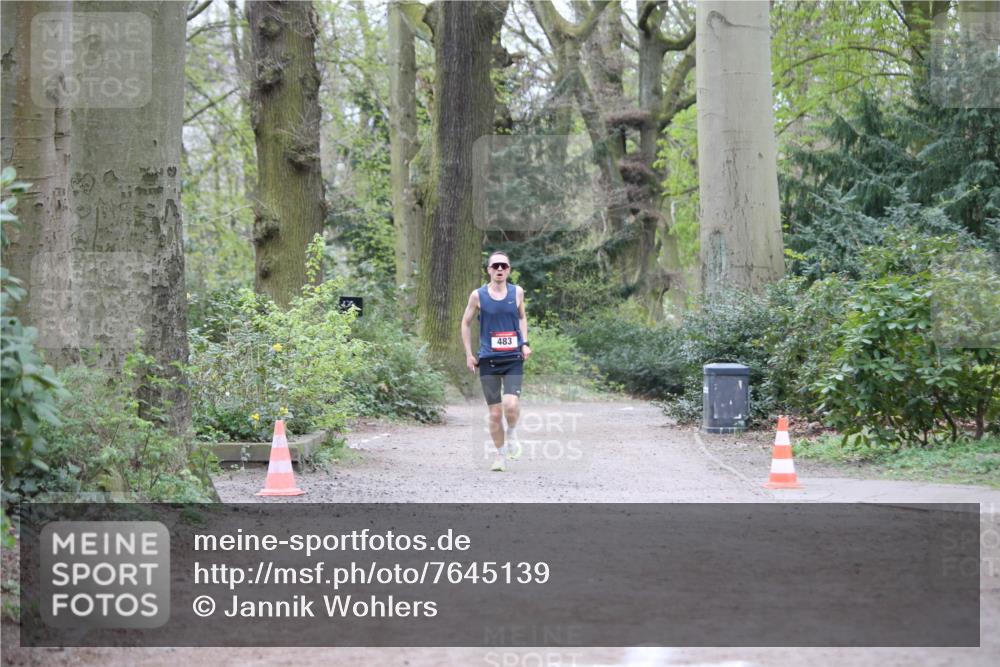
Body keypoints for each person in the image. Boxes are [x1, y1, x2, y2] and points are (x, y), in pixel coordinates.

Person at [460, 251, 532, 472]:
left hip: (513, 358)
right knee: (494, 413)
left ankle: (512, 432)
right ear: (489, 270)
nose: (500, 269)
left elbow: (522, 317)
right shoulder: (478, 295)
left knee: (510, 404)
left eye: (504, 266)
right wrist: (468, 354)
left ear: (508, 270)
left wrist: (525, 343)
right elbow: (465, 323)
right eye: (496, 266)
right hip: (488, 360)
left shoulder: (517, 292)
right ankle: (500, 456)